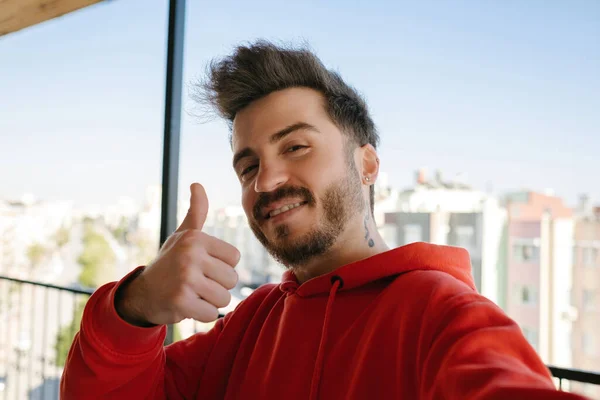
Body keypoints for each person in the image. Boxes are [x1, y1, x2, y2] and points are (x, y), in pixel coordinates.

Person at [60, 41, 588, 400]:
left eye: (295, 146)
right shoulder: (252, 322)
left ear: (367, 164)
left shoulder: (446, 317)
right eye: (248, 166)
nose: (265, 181)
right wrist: (136, 308)